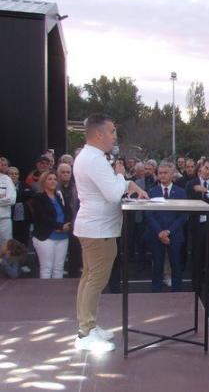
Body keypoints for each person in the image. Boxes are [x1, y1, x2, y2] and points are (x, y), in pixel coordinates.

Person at [73, 113, 148, 352]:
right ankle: (85, 333)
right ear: (98, 134)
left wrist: (126, 182)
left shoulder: (90, 156)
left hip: (94, 227)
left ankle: (88, 326)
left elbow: (114, 188)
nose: (115, 136)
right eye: (112, 132)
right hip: (98, 230)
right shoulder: (94, 159)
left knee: (89, 278)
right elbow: (113, 194)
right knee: (95, 280)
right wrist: (120, 175)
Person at [145, 162, 188, 292]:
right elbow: (149, 215)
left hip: (174, 235)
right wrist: (160, 232)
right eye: (160, 173)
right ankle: (156, 291)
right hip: (156, 235)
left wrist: (168, 231)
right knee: (157, 265)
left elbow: (183, 215)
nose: (162, 175)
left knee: (176, 265)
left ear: (172, 175)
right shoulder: (152, 191)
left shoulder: (181, 192)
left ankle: (177, 292)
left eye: (165, 173)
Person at [186, 158, 209, 302]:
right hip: (197, 227)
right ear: (201, 167)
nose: (208, 171)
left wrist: (206, 192)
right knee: (197, 260)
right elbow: (190, 202)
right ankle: (196, 291)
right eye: (206, 168)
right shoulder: (191, 184)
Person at [31, 171, 73, 279]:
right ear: (43, 181)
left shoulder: (60, 195)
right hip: (46, 236)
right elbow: (42, 217)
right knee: (46, 267)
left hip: (62, 236)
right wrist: (59, 226)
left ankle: (57, 294)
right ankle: (45, 294)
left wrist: (66, 225)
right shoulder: (38, 197)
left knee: (59, 268)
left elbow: (68, 211)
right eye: (49, 179)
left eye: (55, 179)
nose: (53, 181)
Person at [0, 167, 16, 247]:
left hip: (4, 221)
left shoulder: (6, 179)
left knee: (6, 247)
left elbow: (11, 200)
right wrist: (2, 198)